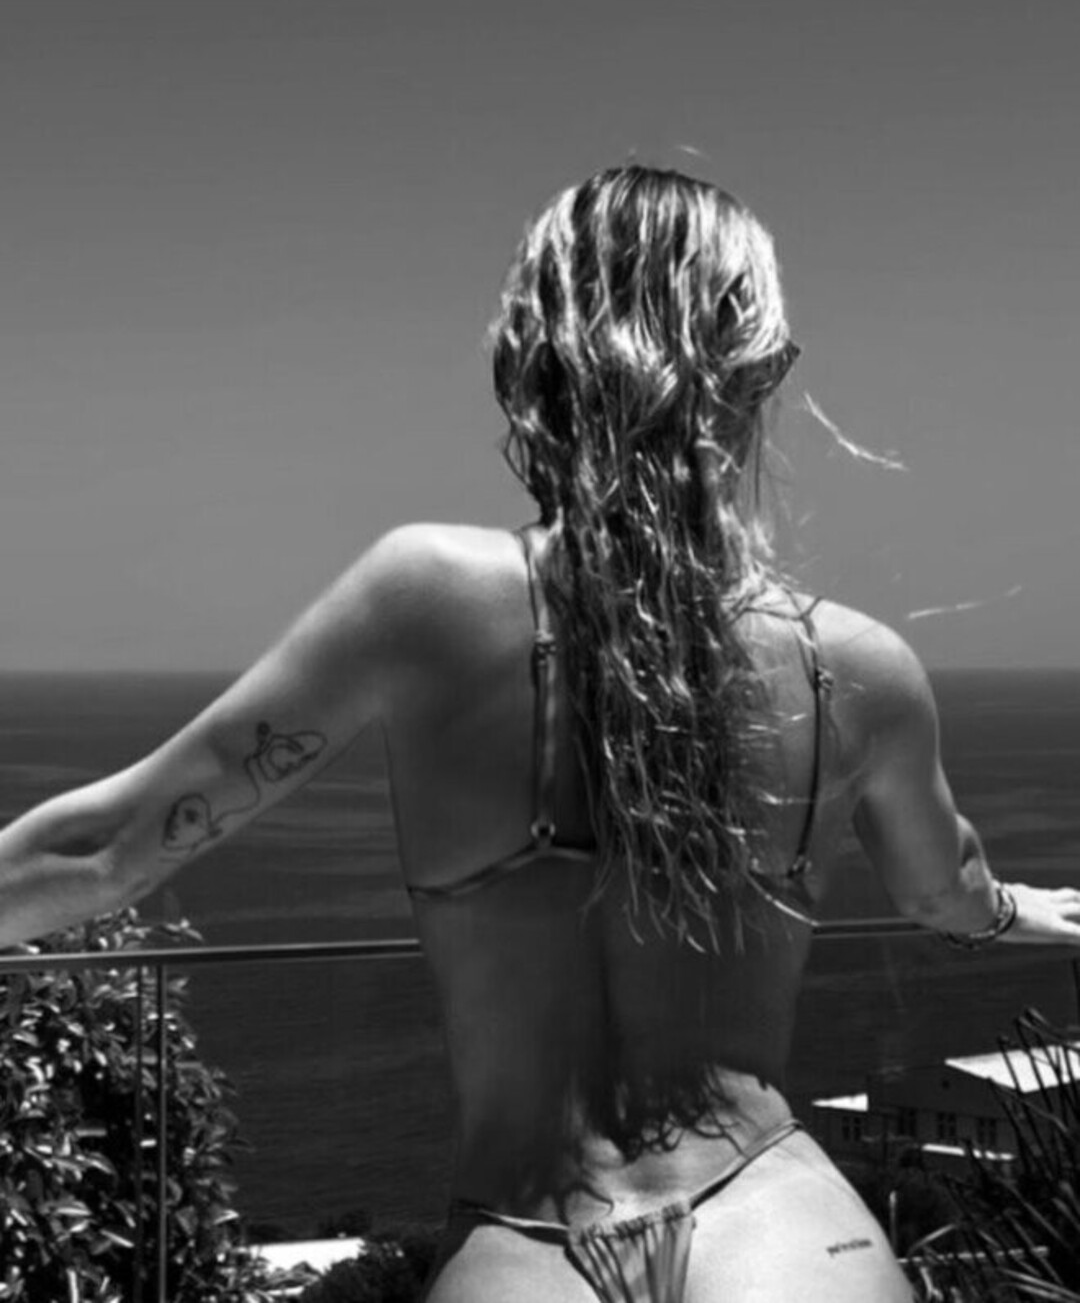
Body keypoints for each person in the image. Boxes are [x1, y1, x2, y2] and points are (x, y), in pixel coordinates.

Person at [1, 164, 1079, 1303]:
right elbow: (943, 889)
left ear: (529, 354)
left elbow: (106, 849)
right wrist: (1020, 911)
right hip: (783, 1230)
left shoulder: (424, 595)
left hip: (530, 1235)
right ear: (764, 369)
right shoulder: (859, 665)